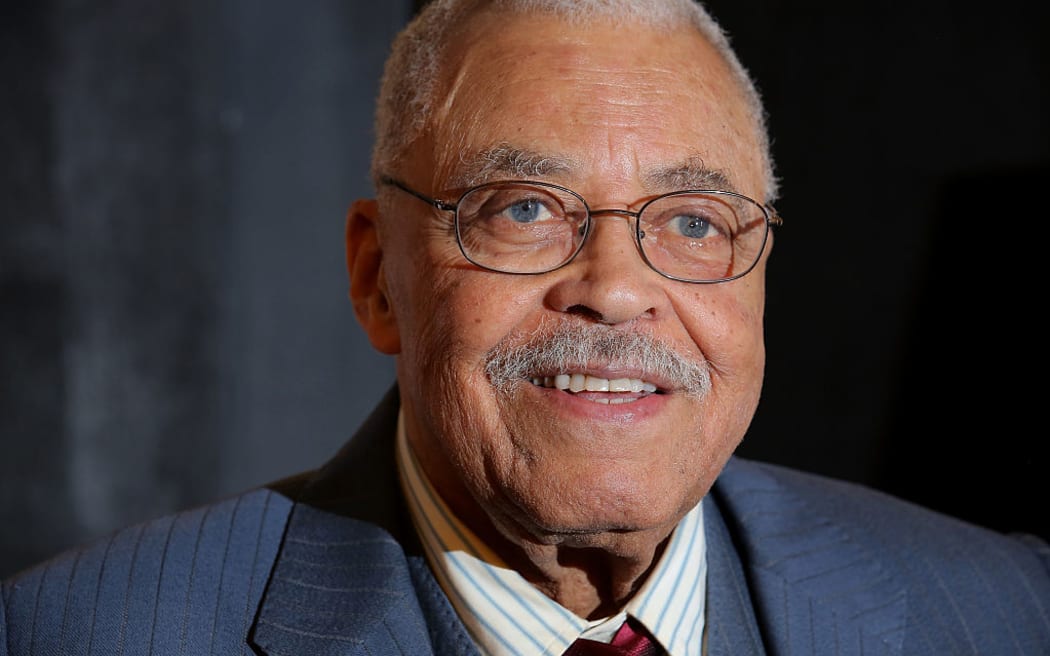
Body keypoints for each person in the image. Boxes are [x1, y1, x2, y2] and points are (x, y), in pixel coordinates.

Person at [2, 0, 1048, 654]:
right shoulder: (84, 635)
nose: (616, 289)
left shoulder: (1001, 609)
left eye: (692, 220)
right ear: (377, 277)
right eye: (525, 210)